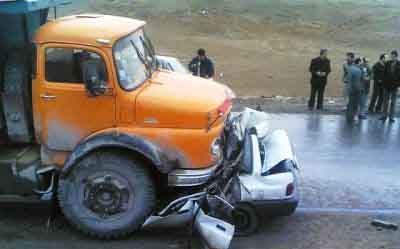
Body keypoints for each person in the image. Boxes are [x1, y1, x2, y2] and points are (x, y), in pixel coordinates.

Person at [380, 50, 400, 123]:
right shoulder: (388, 63)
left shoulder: (399, 64)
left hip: (395, 86)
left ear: (396, 56)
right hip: (386, 85)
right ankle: (384, 115)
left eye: (393, 56)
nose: (392, 57)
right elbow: (384, 73)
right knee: (385, 101)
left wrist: (398, 85)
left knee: (393, 102)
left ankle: (391, 117)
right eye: (391, 56)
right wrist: (383, 83)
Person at [345, 58, 363, 122]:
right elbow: (359, 80)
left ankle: (348, 115)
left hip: (350, 88)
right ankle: (354, 115)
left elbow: (347, 79)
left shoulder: (349, 68)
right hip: (356, 89)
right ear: (358, 63)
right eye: (360, 63)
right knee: (356, 103)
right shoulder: (359, 70)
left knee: (350, 103)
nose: (361, 64)